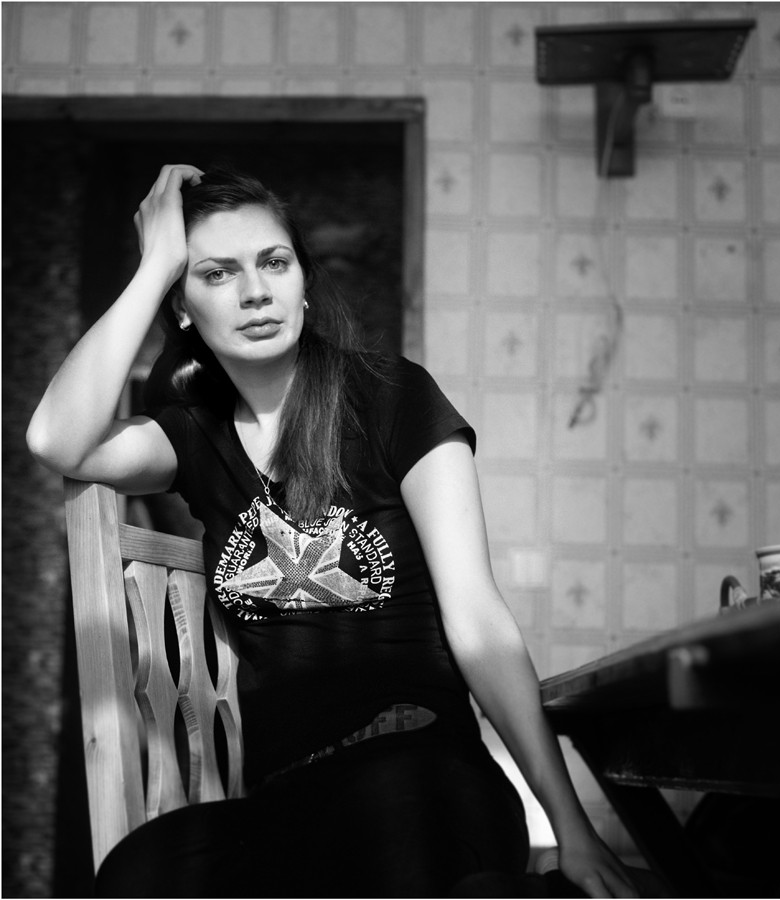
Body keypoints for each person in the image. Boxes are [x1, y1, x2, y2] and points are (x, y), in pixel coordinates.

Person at [28, 164, 644, 898]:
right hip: (286, 803)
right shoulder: (192, 437)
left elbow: (479, 619)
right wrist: (155, 266)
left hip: (419, 769)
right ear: (183, 308)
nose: (255, 292)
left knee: (386, 837)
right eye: (217, 274)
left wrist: (571, 829)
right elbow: (57, 440)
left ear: (303, 284)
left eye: (274, 263)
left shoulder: (392, 397)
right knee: (137, 877)